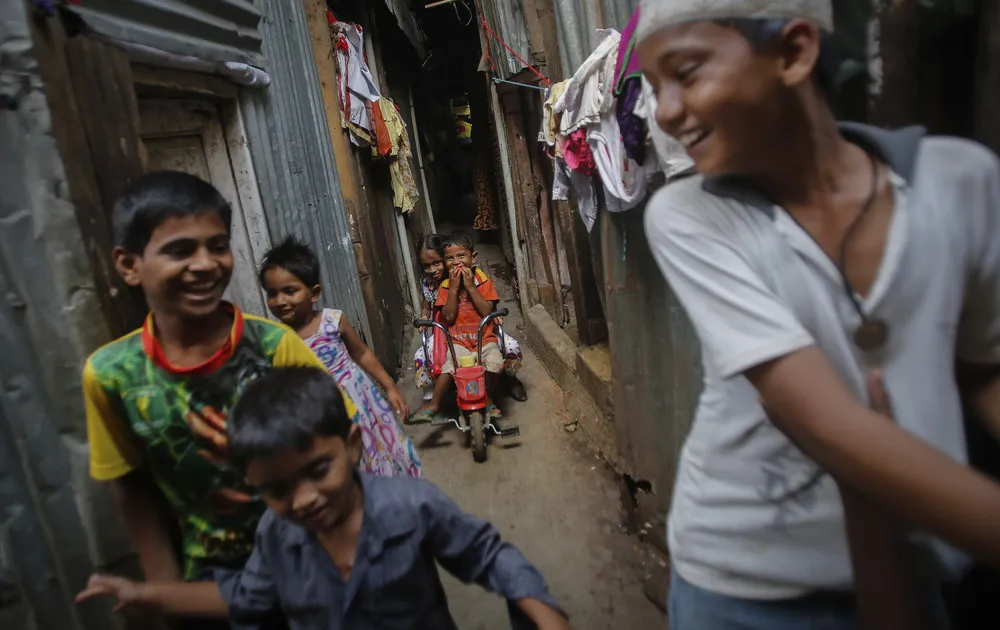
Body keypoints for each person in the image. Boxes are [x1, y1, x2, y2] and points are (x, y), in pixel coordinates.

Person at [637, 1, 1000, 628]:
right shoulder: (689, 216)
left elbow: (985, 367)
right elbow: (824, 422)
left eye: (687, 73)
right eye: (653, 88)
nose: (664, 112)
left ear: (794, 52)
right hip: (747, 584)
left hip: (922, 565)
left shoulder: (960, 181)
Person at [76, 367, 574, 630]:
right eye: (276, 489)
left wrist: (544, 614)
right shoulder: (275, 534)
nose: (304, 499)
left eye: (318, 470)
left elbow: (488, 556)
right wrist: (146, 593)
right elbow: (244, 599)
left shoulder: (412, 505)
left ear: (353, 447)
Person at [82, 171, 354, 627]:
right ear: (129, 265)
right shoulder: (112, 376)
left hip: (312, 550)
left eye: (217, 245)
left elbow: (343, 447)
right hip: (212, 577)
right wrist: (166, 595)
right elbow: (132, 491)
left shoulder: (274, 346)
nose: (206, 264)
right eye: (180, 250)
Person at [259, 237, 422, 479]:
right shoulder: (274, 339)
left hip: (357, 400)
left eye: (290, 291)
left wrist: (390, 387)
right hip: (315, 413)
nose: (280, 301)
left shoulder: (332, 321)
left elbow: (362, 353)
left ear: (314, 293)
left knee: (373, 450)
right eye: (272, 294)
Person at [410, 233, 526, 424]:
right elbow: (444, 313)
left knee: (507, 348)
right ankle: (436, 395)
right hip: (450, 332)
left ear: (472, 258)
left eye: (436, 262)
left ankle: (509, 380)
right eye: (449, 259)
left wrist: (472, 288)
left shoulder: (479, 278)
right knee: (433, 357)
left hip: (481, 330)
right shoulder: (443, 285)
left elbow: (488, 308)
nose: (455, 264)